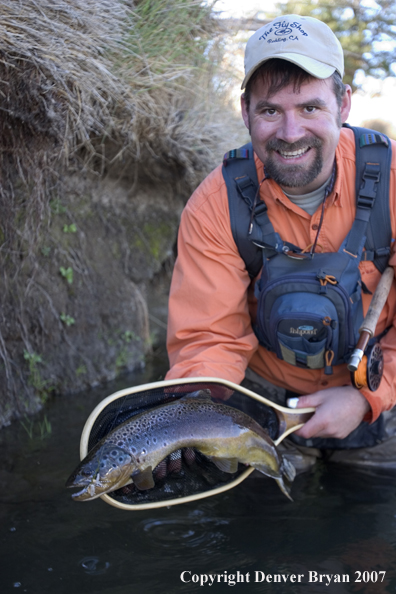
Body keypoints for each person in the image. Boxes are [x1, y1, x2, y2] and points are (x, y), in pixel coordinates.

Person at [165, 14, 396, 472]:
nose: (290, 134)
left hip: (380, 392)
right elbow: (209, 338)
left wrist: (367, 396)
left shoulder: (392, 182)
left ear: (344, 104)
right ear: (245, 110)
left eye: (310, 107)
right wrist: (192, 414)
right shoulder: (215, 205)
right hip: (261, 404)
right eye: (271, 110)